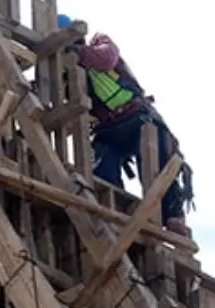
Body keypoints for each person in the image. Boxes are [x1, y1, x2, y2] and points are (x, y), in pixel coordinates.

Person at [59, 14, 192, 237]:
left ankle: (171, 215)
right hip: (108, 129)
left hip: (135, 116)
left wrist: (78, 53)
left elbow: (106, 59)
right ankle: (117, 211)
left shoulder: (98, 44)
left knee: (157, 165)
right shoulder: (70, 72)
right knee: (102, 168)